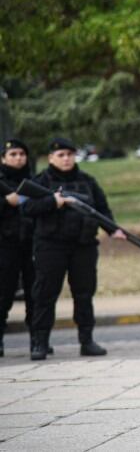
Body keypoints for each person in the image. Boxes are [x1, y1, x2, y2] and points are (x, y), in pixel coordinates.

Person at [23, 137, 127, 360]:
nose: (66, 159)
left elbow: (101, 209)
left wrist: (112, 230)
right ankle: (40, 342)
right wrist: (53, 202)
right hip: (51, 246)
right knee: (45, 294)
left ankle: (86, 340)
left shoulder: (87, 181)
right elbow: (28, 208)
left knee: (84, 293)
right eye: (61, 155)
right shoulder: (40, 181)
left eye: (69, 154)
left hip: (83, 246)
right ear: (51, 158)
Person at [0, 139, 34, 357]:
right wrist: (5, 201)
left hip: (32, 244)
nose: (18, 157)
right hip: (5, 245)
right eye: (13, 154)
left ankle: (38, 339)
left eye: (21, 153)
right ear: (3, 158)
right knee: (3, 294)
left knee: (35, 294)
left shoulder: (34, 180)